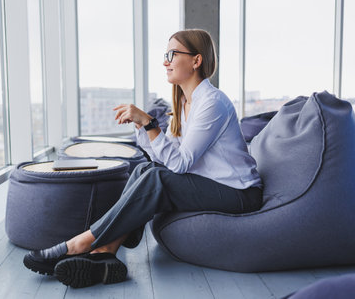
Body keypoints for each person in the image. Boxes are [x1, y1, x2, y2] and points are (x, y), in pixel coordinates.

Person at [23, 29, 263, 288]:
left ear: (196, 61)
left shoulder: (212, 103)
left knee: (156, 178)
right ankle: (105, 254)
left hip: (239, 193)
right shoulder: (186, 102)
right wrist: (143, 127)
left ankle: (80, 243)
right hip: (211, 183)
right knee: (143, 172)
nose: (165, 61)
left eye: (172, 54)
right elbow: (165, 157)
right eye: (165, 55)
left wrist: (149, 123)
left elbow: (179, 164)